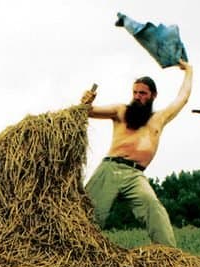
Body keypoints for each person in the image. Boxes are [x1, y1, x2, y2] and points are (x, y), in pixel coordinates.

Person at [80, 58, 193, 247]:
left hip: (135, 174)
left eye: (142, 93)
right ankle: (78, 249)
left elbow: (183, 97)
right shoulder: (120, 111)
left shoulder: (159, 118)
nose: (137, 96)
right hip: (110, 168)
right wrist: (85, 102)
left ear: (153, 96)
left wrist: (189, 71)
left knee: (153, 206)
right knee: (89, 212)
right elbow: (88, 111)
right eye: (135, 92)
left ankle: (169, 255)